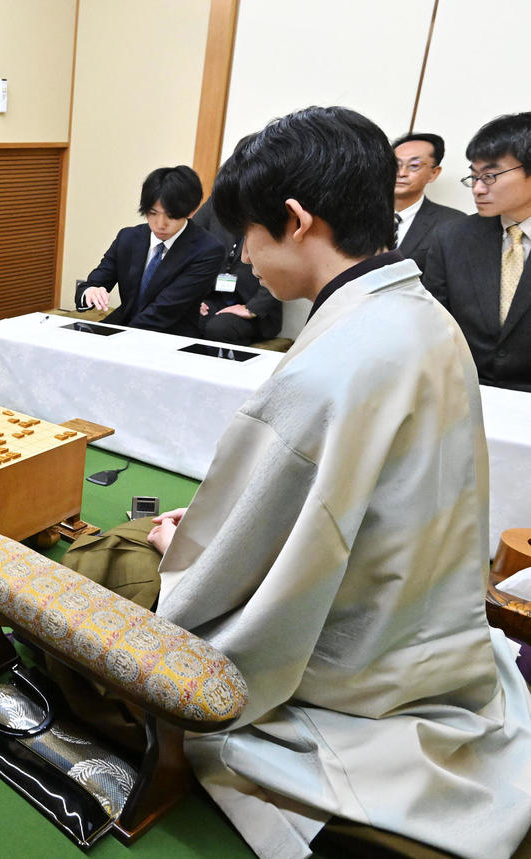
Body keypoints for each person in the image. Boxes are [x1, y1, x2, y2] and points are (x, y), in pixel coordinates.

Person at [135, 106, 531, 859]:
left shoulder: (331, 365)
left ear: (294, 219)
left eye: (248, 235)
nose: (244, 257)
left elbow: (230, 565)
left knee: (117, 572)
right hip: (429, 621)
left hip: (349, 666)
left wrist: (180, 549)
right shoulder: (426, 316)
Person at [424, 112, 531, 392]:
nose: (478, 189)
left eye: (490, 176)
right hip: (460, 392)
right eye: (474, 177)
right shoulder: (451, 237)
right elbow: (432, 324)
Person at [74, 165, 224, 336]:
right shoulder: (128, 238)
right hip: (126, 324)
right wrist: (91, 292)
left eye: (171, 215)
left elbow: (164, 311)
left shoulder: (207, 250)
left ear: (190, 211)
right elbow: (91, 284)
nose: (160, 224)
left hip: (170, 336)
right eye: (152, 213)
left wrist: (116, 340)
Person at [193, 195, 281, 344]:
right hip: (215, 298)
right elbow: (189, 242)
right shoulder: (216, 204)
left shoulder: (272, 208)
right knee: (189, 320)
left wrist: (252, 309)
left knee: (219, 329)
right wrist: (192, 298)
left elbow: (282, 266)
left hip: (254, 306)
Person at [391, 132, 464, 276]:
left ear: (434, 173)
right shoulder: (359, 215)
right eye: (395, 164)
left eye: (414, 165)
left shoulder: (453, 223)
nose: (402, 173)